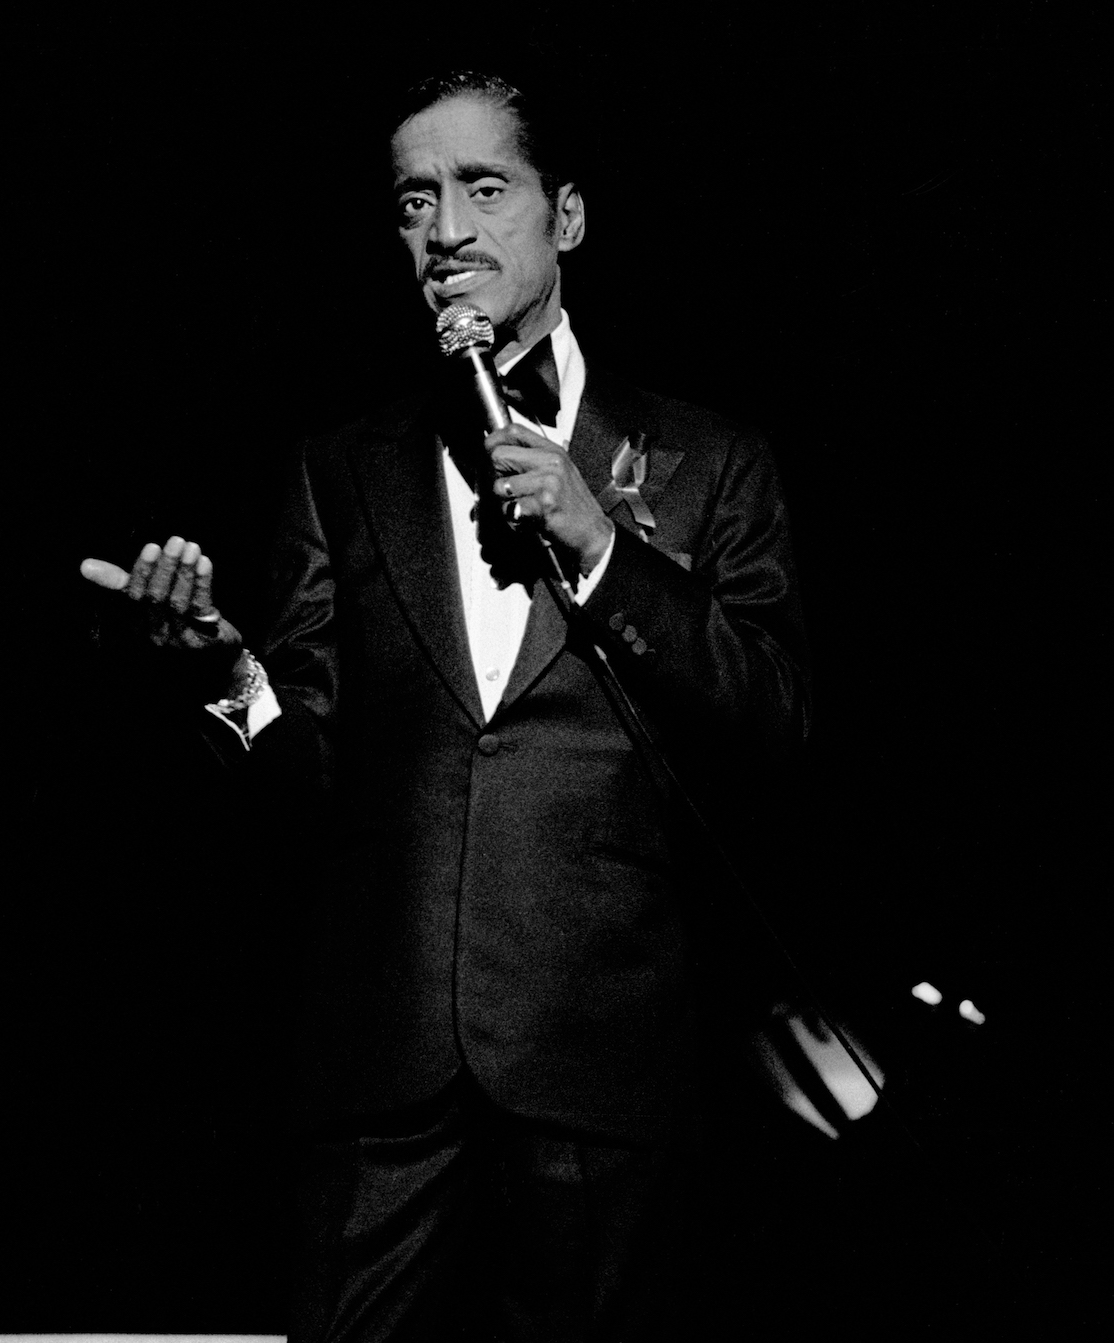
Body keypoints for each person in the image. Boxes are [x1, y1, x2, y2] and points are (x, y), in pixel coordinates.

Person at [80, 70, 808, 1341]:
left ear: (564, 217)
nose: (446, 231)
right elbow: (307, 776)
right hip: (382, 1060)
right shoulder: (341, 467)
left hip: (602, 1056)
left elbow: (774, 726)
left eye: (482, 188)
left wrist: (601, 547)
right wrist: (224, 671)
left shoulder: (710, 461)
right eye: (415, 201)